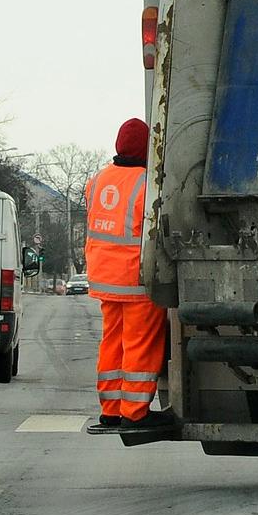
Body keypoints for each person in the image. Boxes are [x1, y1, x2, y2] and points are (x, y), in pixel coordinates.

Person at [85, 118, 177, 429]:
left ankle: (110, 409)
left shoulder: (97, 181)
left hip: (105, 279)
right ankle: (135, 412)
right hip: (136, 280)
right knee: (140, 343)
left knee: (112, 342)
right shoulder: (146, 184)